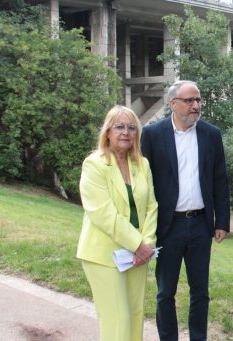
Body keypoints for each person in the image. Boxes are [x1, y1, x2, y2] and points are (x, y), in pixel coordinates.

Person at [141, 80, 230, 341]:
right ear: (173, 104)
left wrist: (221, 222)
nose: (195, 106)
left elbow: (219, 180)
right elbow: (144, 182)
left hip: (201, 225)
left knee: (200, 291)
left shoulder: (211, 134)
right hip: (168, 227)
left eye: (198, 100)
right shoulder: (153, 135)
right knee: (165, 291)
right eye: (189, 101)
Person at [77, 105, 158, 341]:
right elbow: (103, 214)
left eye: (131, 128)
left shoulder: (142, 164)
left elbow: (152, 205)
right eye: (119, 127)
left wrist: (148, 243)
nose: (126, 132)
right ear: (108, 132)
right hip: (103, 254)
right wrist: (138, 244)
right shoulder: (94, 164)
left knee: (134, 315)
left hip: (138, 254)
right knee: (117, 320)